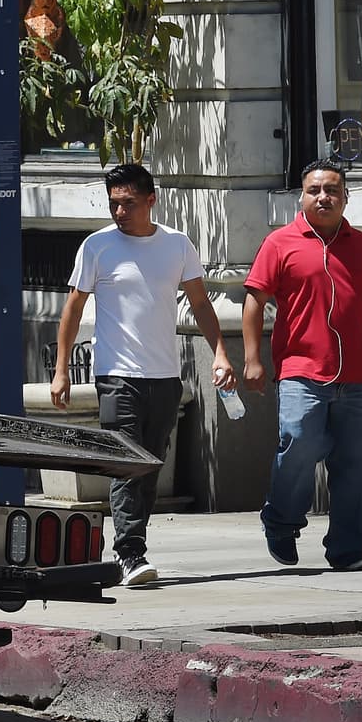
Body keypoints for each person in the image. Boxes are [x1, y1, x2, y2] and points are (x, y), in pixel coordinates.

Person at [52, 163, 236, 586]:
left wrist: (221, 352)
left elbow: (202, 305)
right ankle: (130, 551)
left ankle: (131, 546)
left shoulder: (177, 245)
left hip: (165, 376)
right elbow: (73, 309)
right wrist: (62, 370)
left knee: (150, 465)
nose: (120, 212)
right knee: (126, 463)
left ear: (151, 200)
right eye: (114, 204)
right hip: (116, 375)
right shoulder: (97, 247)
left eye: (128, 203)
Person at [242, 159, 362, 571]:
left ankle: (347, 549)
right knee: (299, 444)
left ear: (345, 197)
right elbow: (254, 300)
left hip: (357, 379)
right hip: (301, 373)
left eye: (332, 190)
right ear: (302, 196)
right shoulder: (280, 244)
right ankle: (282, 520)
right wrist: (252, 359)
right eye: (314, 190)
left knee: (358, 465)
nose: (323, 197)